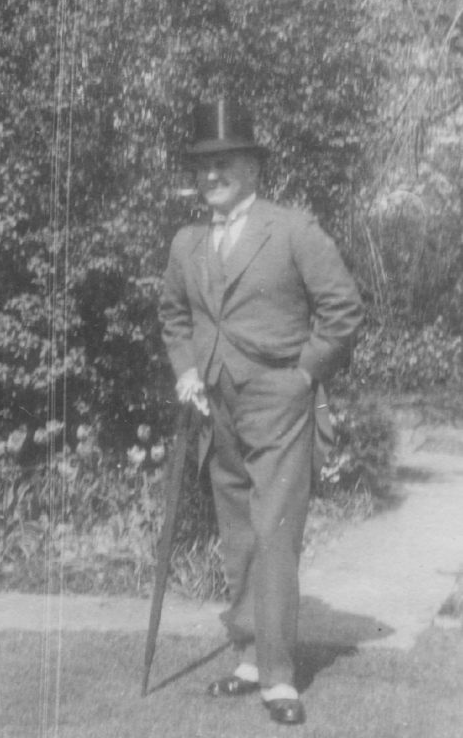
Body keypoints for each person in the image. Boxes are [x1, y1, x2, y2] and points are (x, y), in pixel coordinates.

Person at [160, 99, 363, 726]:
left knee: (274, 532)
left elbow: (344, 311)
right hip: (213, 401)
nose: (210, 175)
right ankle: (248, 658)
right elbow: (174, 316)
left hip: (281, 398)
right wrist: (188, 370)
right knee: (238, 530)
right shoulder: (187, 241)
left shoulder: (293, 229)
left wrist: (305, 374)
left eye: (223, 163)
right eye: (202, 166)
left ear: (252, 168)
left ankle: (279, 678)